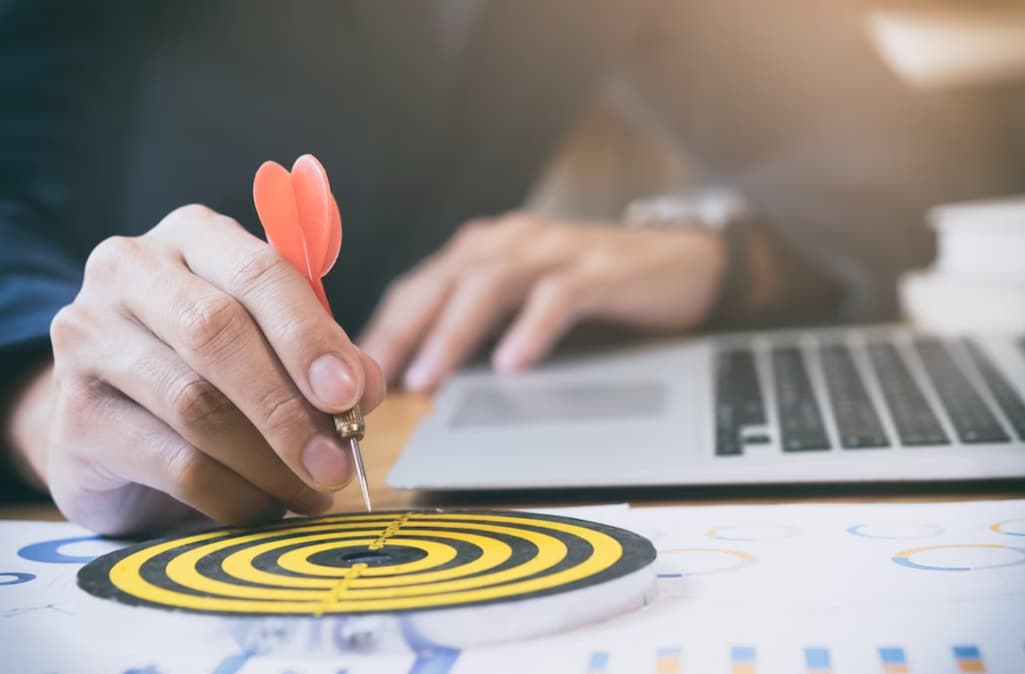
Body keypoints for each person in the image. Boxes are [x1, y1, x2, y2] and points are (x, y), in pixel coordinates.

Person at [0, 0, 1015, 535]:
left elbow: (887, 149)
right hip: (108, 459)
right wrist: (42, 388)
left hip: (421, 438)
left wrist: (714, 252)